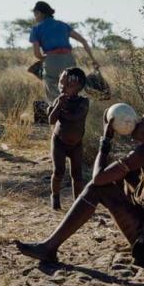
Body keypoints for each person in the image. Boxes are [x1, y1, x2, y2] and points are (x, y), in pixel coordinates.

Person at [14, 108, 144, 265]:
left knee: (97, 188)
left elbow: (98, 179)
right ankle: (49, 247)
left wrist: (105, 142)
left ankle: (49, 248)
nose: (137, 123)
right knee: (122, 177)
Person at [29, 1, 101, 105]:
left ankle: (57, 114)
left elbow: (37, 54)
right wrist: (93, 60)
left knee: (51, 87)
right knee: (71, 87)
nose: (35, 18)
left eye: (35, 14)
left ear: (40, 13)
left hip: (51, 61)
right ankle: (77, 112)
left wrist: (44, 58)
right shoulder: (63, 25)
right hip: (68, 60)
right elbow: (83, 41)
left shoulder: (36, 29)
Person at [47, 67, 89, 209]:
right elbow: (51, 121)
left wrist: (59, 111)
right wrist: (58, 105)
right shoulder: (58, 101)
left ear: (79, 87)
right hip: (59, 142)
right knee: (58, 171)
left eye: (68, 84)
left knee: (77, 175)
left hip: (76, 144)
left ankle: (77, 202)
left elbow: (75, 117)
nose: (63, 87)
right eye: (61, 83)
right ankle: (55, 197)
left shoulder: (83, 102)